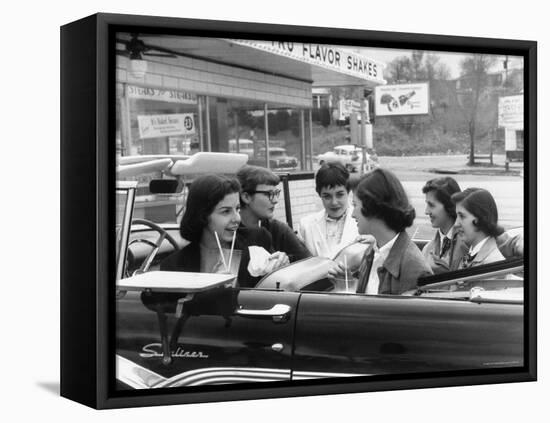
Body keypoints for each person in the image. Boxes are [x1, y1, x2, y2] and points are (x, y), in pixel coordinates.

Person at [159, 174, 277, 287]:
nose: (237, 218)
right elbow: (171, 305)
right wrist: (208, 292)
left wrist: (281, 269)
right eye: (226, 211)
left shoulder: (257, 240)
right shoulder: (174, 266)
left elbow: (275, 291)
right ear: (203, 215)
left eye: (237, 209)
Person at [331, 168, 432, 295]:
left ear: (373, 208)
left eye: (355, 205)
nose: (352, 214)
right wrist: (349, 284)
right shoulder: (372, 252)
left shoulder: (414, 269)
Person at [236, 165, 310, 263]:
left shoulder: (278, 230)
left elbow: (308, 264)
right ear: (246, 197)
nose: (275, 200)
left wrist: (286, 262)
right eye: (268, 194)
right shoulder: (230, 233)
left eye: (276, 193)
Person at [298, 162, 359, 258]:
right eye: (327, 196)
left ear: (348, 191)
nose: (334, 202)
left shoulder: (363, 223)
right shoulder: (306, 226)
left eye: (339, 194)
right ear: (319, 194)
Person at [421, 177, 469, 273]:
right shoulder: (427, 250)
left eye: (431, 205)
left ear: (449, 205)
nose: (426, 211)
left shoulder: (468, 246)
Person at [451, 188, 506, 269]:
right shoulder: (470, 255)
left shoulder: (492, 265)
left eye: (462, 216)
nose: (456, 224)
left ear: (480, 219)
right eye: (457, 216)